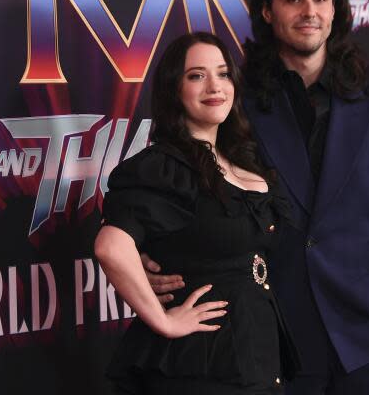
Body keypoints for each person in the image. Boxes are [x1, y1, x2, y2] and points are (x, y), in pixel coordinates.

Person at [143, 0, 369, 395]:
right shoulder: (234, 98)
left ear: (335, 8)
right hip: (278, 336)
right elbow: (187, 177)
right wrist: (151, 255)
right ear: (266, 11)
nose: (309, 11)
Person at [94, 32, 300, 395]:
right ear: (174, 89)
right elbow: (110, 247)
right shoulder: (162, 167)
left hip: (257, 357)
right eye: (196, 75)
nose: (214, 86)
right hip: (200, 367)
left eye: (222, 73)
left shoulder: (247, 162)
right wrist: (163, 321)